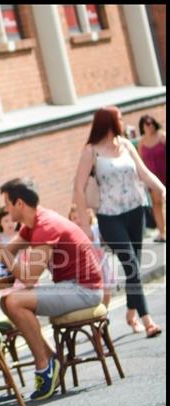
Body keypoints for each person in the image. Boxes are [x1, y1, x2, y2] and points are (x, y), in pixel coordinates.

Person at [0, 179, 105, 401]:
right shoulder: (32, 225)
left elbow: (28, 277)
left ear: (19, 203)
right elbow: (6, 253)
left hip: (85, 289)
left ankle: (44, 366)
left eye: (7, 205)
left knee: (15, 301)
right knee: (6, 301)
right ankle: (50, 358)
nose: (5, 211)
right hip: (70, 287)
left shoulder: (45, 226)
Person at [72, 106, 165, 337]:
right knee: (131, 265)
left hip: (136, 210)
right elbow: (78, 187)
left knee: (134, 267)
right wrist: (84, 224)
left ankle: (131, 311)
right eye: (120, 118)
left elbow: (143, 173)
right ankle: (148, 321)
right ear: (109, 121)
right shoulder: (91, 151)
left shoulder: (125, 145)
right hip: (110, 216)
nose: (123, 121)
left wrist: (162, 189)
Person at [68, 204, 113, 308]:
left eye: (77, 217)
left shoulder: (95, 228)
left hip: (102, 264)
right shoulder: (73, 235)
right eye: (72, 219)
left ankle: (105, 312)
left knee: (106, 290)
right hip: (87, 267)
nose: (75, 221)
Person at [138, 114, 166, 242]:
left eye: (151, 123)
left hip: (164, 172)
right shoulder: (142, 142)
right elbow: (140, 161)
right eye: (147, 124)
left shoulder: (162, 136)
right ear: (142, 126)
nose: (150, 126)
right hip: (153, 178)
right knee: (157, 203)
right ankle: (162, 231)